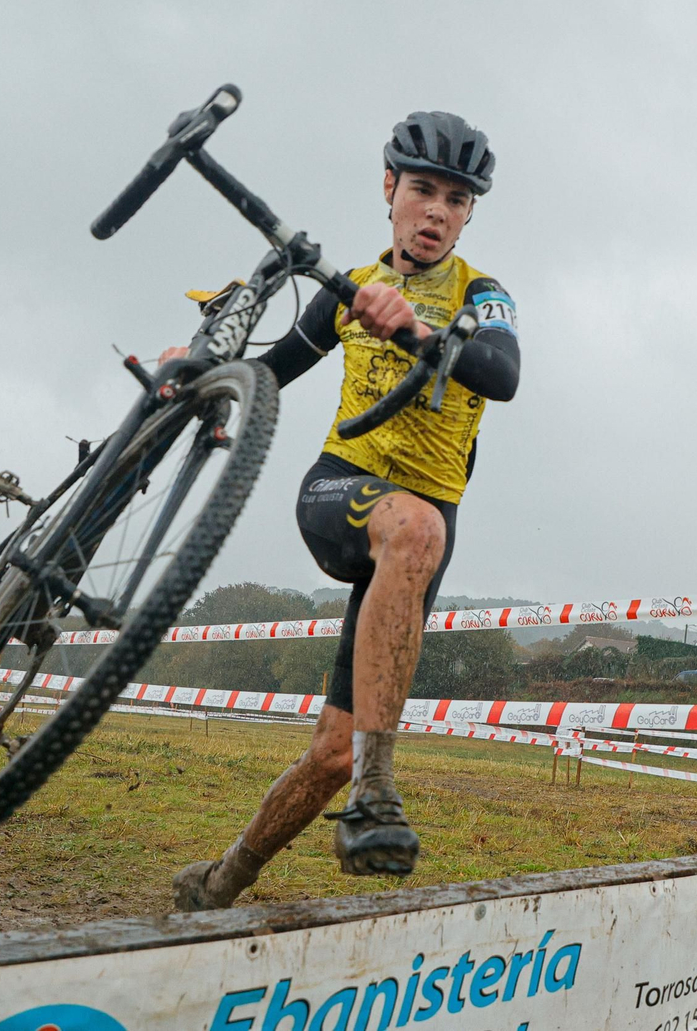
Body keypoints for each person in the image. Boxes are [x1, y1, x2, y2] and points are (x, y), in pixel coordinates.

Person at [170, 112, 519, 911]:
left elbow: (501, 372)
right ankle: (381, 786)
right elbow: (271, 371)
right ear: (389, 189)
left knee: (332, 752)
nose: (436, 211)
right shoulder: (349, 290)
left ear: (470, 214)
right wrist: (194, 372)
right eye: (423, 190)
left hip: (420, 538)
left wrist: (423, 330)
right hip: (343, 492)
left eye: (456, 200)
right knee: (416, 526)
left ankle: (222, 879)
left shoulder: (485, 295)